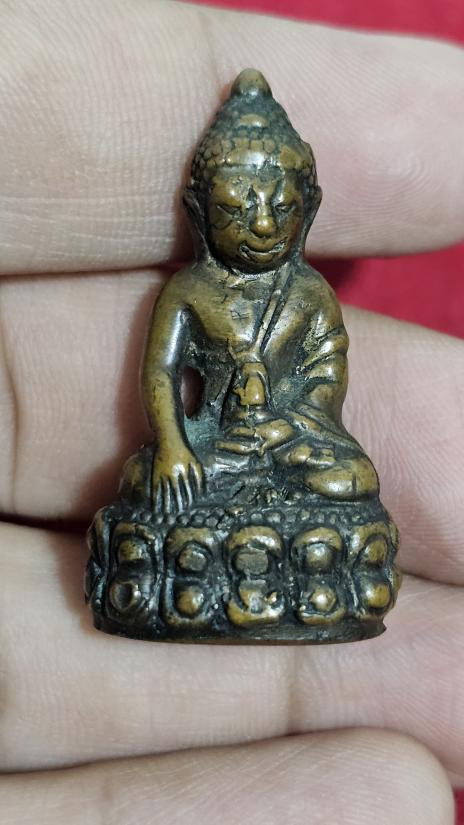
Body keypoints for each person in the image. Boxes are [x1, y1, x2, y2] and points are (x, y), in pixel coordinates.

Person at [0, 1, 462, 822]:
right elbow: (159, 377)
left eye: (279, 204)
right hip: (211, 453)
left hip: (288, 448)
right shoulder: (189, 290)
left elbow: (324, 380)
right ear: (198, 211)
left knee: (349, 481)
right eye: (238, 206)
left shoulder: (309, 294)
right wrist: (176, 445)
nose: (261, 223)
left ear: (307, 208)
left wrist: (293, 423)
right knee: (146, 483)